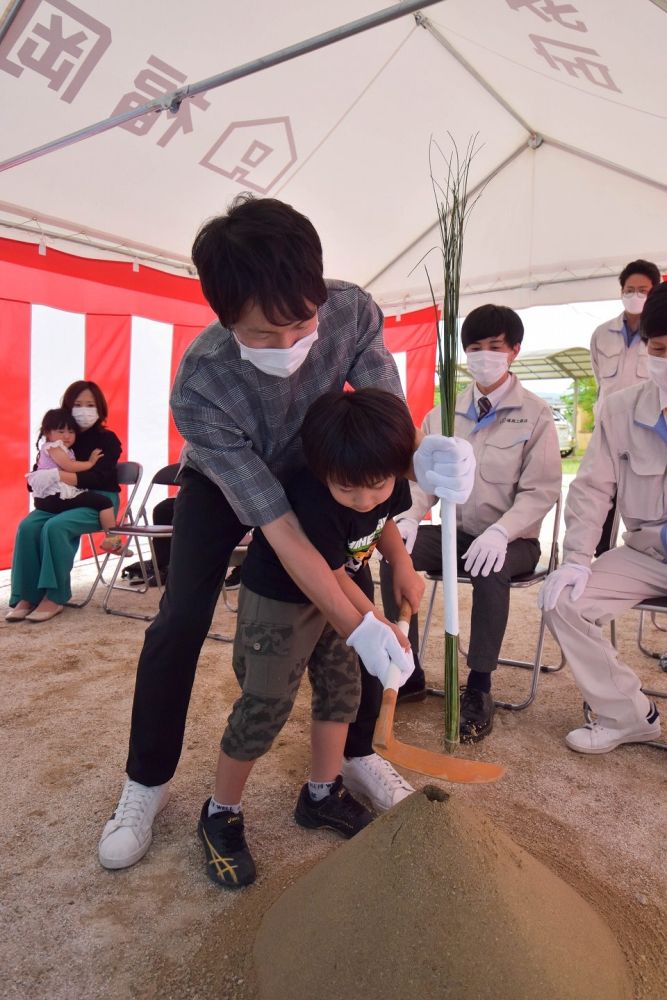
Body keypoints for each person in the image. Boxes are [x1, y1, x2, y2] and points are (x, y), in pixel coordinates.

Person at [98, 193, 474, 871]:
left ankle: (353, 758)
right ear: (222, 317)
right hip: (231, 479)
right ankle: (146, 781)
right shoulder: (202, 385)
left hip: (331, 467)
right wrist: (351, 619)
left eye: (299, 324)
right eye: (260, 336)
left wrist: (426, 458)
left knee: (362, 613)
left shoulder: (351, 310)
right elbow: (275, 521)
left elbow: (384, 421)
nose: (288, 346)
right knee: (180, 618)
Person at [199, 389, 419, 887]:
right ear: (322, 472)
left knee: (342, 690)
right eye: (349, 490)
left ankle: (322, 793)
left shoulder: (384, 476)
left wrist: (402, 564)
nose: (365, 499)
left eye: (378, 485)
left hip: (342, 596)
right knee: (266, 702)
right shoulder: (311, 492)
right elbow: (329, 573)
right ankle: (220, 811)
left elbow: (384, 523)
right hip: (283, 598)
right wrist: (373, 621)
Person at [380, 304, 562, 741]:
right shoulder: (443, 413)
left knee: (491, 568)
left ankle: (479, 684)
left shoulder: (534, 415)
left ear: (514, 350)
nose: (484, 356)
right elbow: (424, 478)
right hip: (454, 534)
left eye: (494, 347)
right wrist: (407, 518)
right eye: (474, 347)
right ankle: (409, 671)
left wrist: (502, 532)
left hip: (512, 541)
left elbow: (541, 491)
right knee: (390, 551)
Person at [538, 281, 667, 754]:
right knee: (561, 600)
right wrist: (576, 558)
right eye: (660, 349)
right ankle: (628, 715)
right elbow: (592, 488)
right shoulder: (619, 410)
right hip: (647, 553)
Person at [7, 381, 122, 623]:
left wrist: (58, 475)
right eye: (78, 404)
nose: (84, 409)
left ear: (100, 407)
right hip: (58, 499)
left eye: (90, 404)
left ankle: (55, 595)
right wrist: (49, 477)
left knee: (56, 527)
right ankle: (26, 595)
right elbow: (35, 478)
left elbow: (98, 477)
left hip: (99, 501)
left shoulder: (108, 439)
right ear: (67, 408)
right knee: (28, 527)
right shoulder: (59, 436)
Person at [590, 259, 662, 554]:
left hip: (648, 433)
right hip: (609, 429)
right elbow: (599, 380)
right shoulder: (601, 334)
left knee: (645, 501)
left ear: (655, 292)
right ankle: (599, 556)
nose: (635, 295)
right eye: (630, 289)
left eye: (643, 290)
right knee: (600, 494)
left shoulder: (660, 337)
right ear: (621, 291)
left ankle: (647, 553)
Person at [26, 407, 121, 552]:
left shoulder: (60, 448)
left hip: (52, 498)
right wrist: (90, 463)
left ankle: (113, 542)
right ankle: (113, 543)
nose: (67, 436)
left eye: (71, 432)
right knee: (104, 503)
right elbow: (68, 466)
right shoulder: (54, 447)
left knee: (99, 502)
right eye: (61, 431)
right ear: (47, 433)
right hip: (56, 496)